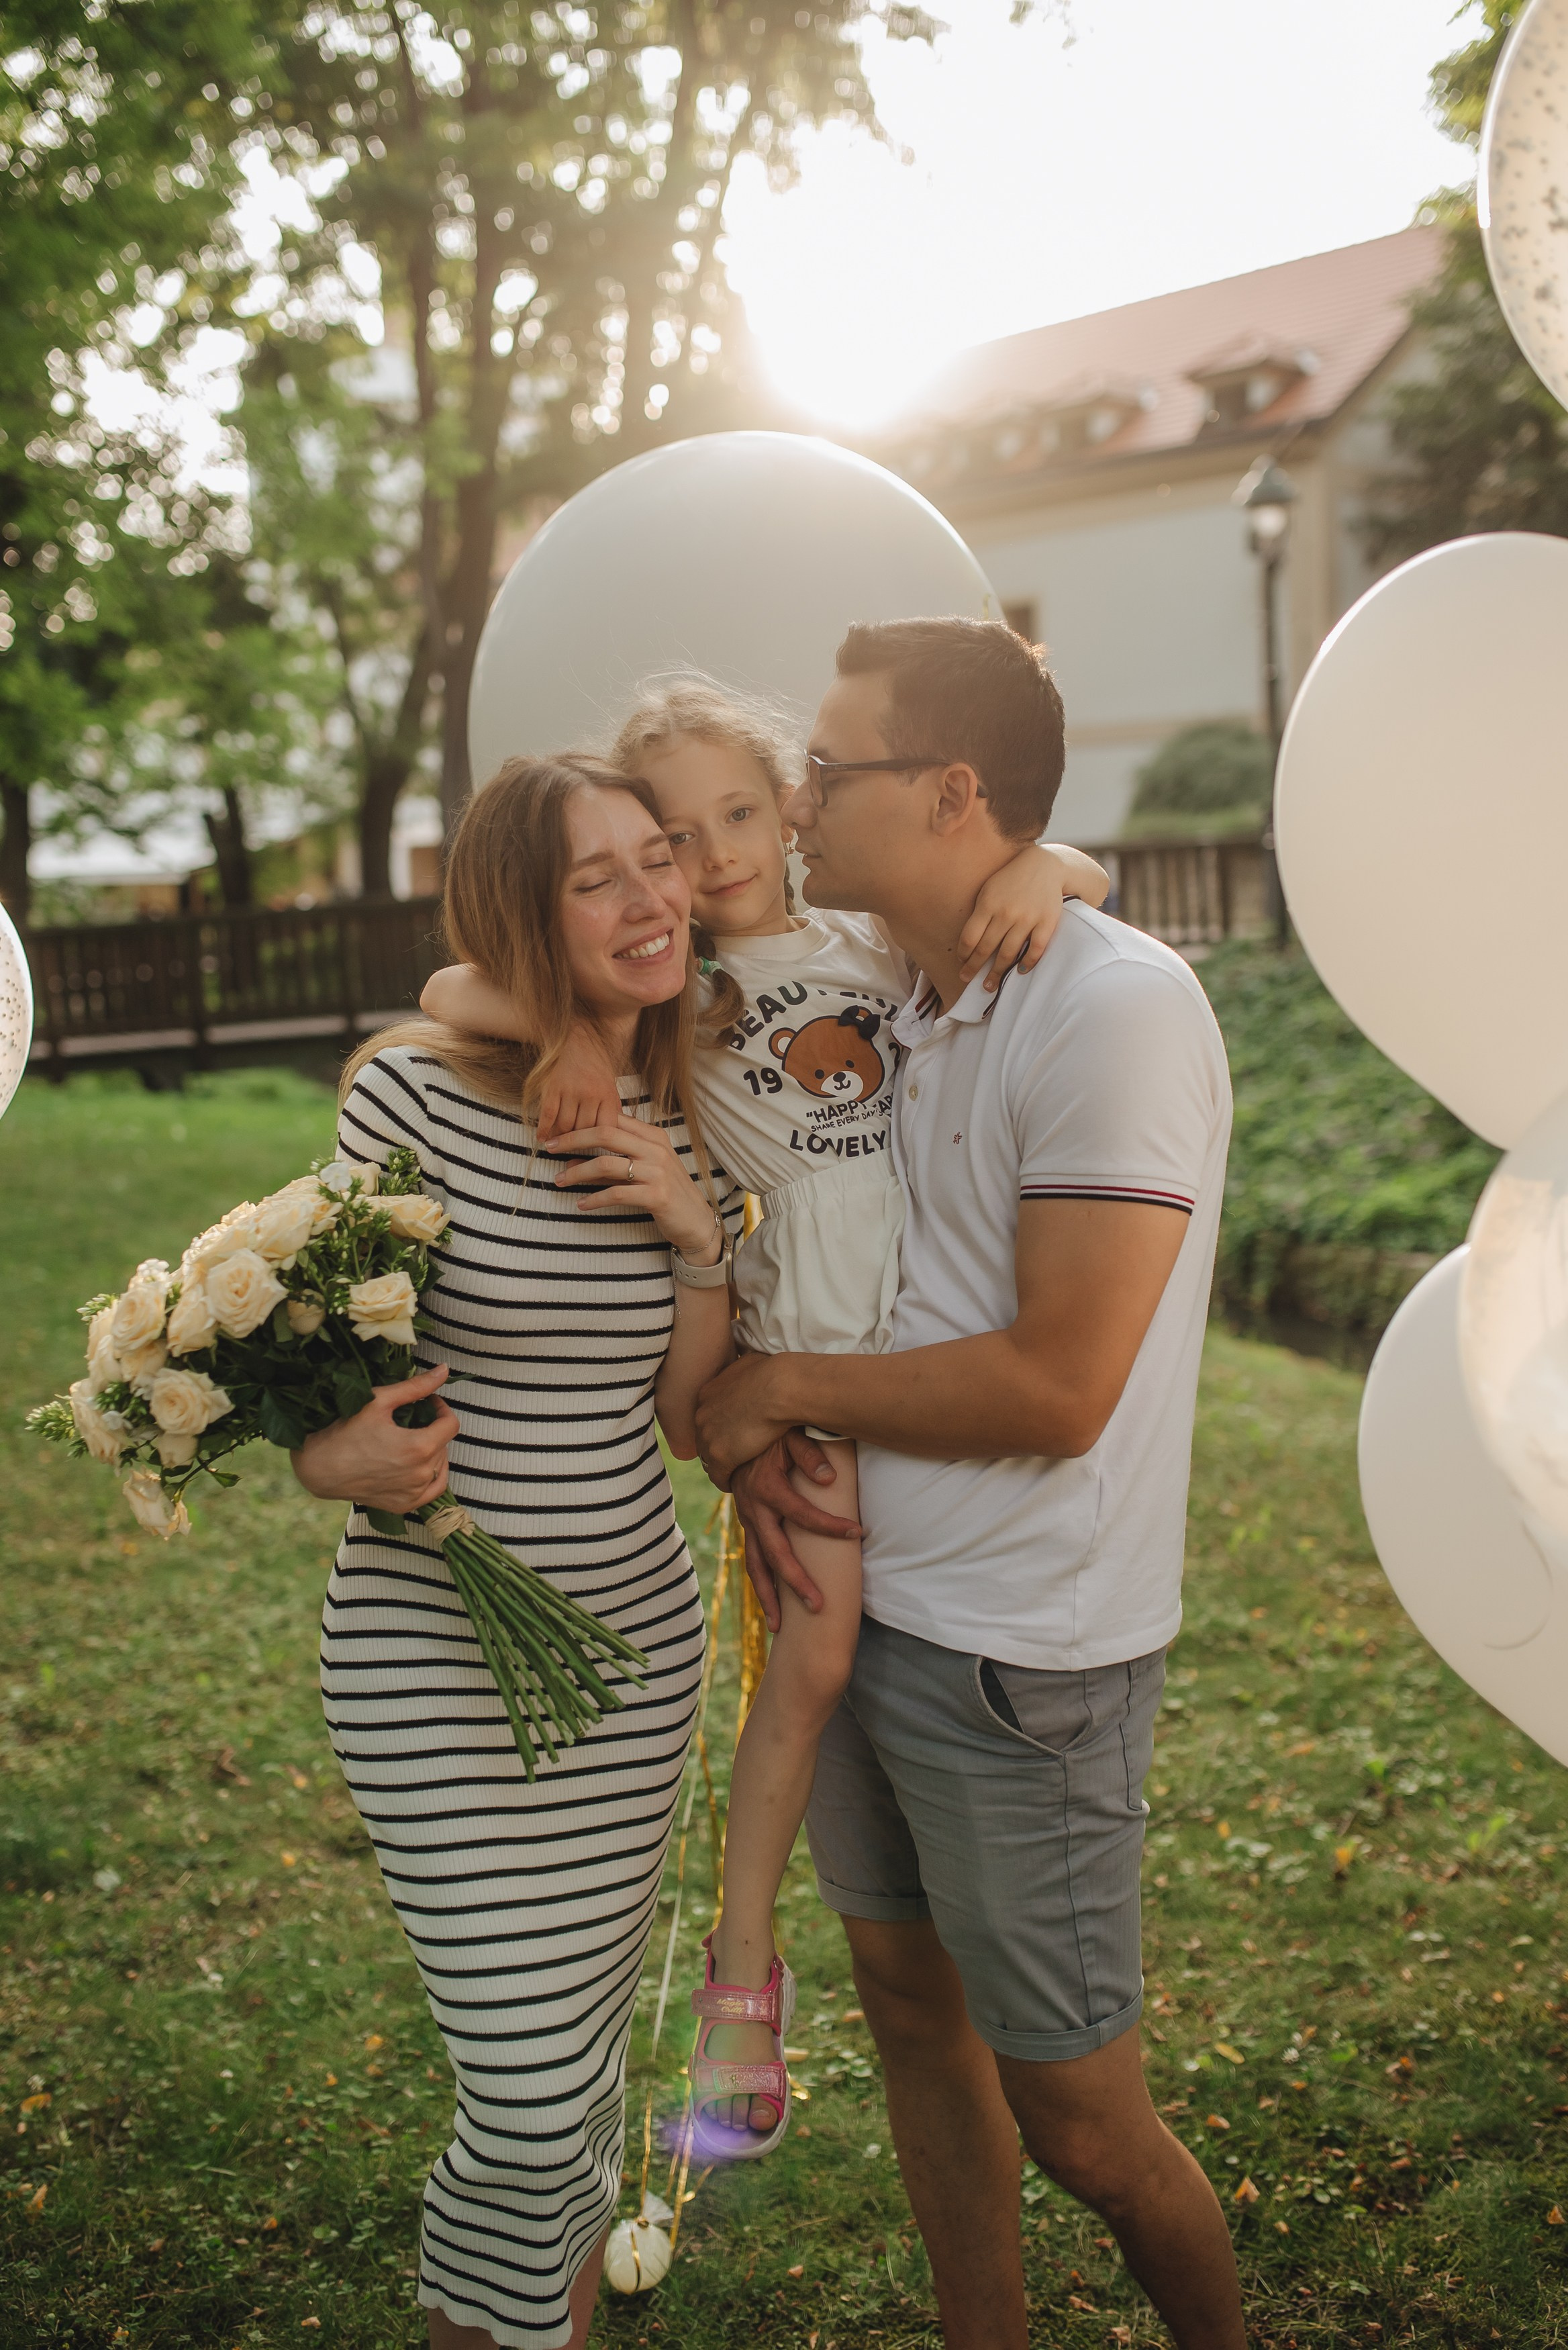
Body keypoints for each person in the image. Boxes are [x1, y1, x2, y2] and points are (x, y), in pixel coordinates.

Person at [421, 679, 1110, 2163]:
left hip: (916, 1325)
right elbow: (450, 993)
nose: (713, 854)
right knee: (815, 1653)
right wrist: (573, 1037)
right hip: (803, 1336)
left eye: (739, 812)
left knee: (844, 1637)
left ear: (792, 806)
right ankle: (743, 1974)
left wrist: (1050, 867)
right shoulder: (680, 994)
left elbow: (1065, 878)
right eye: (674, 837)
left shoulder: (873, 942)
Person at [695, 618, 1245, 2350]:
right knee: (906, 2009)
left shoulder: (1113, 1008)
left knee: (1082, 2119)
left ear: (949, 793)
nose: (794, 801)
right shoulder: (907, 985)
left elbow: (1058, 1386)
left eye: (824, 770)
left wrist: (775, 1384)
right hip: (856, 1610)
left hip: (1019, 1653)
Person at [291, 753, 741, 2350]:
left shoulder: (692, 1098)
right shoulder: (412, 1095)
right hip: (430, 1646)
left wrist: (696, 1233)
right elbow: (320, 1355)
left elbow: (683, 1421)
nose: (650, 897)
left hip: (627, 1663)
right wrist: (327, 1454)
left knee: (574, 2080)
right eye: (593, 879)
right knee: (536, 2096)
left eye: (657, 856)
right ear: (521, 917)